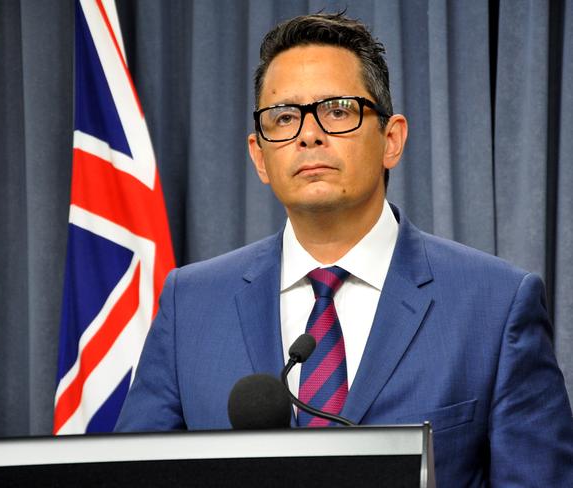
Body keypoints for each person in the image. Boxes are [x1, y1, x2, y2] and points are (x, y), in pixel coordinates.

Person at [115, 13, 573, 486]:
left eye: (337, 110)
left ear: (391, 139)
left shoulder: (496, 305)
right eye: (285, 117)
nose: (308, 135)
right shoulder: (189, 304)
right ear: (260, 156)